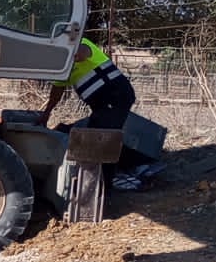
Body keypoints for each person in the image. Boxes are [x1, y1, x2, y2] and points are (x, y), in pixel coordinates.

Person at [43, 38, 157, 190]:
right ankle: (124, 171)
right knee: (96, 135)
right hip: (102, 105)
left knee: (103, 139)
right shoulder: (60, 66)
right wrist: (46, 113)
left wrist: (68, 54)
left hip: (115, 96)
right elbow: (57, 91)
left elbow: (83, 52)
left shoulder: (80, 43)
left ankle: (106, 186)